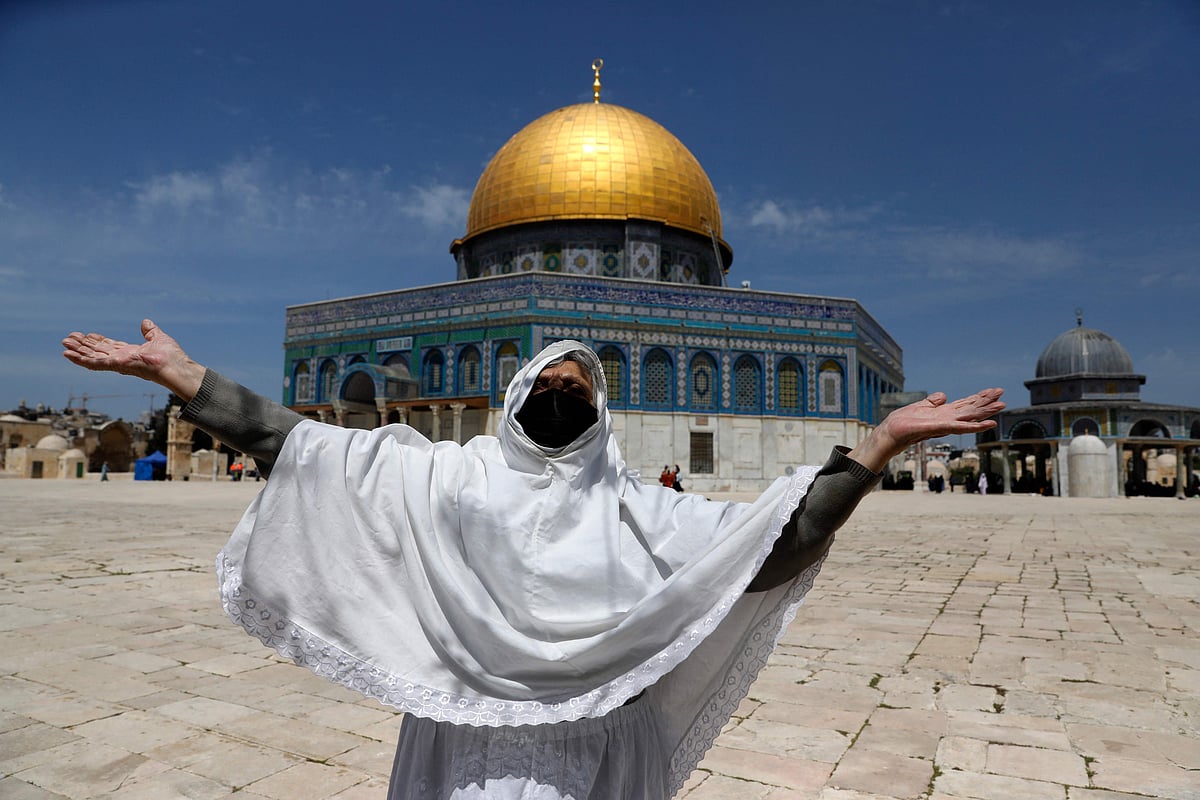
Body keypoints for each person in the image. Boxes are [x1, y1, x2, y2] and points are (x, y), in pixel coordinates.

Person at [62, 319, 1005, 800]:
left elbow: (766, 550)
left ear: (605, 408)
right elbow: (303, 446)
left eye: (577, 386)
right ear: (512, 397)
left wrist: (877, 443)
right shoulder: (443, 478)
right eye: (546, 383)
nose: (561, 395)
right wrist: (185, 379)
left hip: (600, 745)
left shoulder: (646, 511)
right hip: (472, 742)